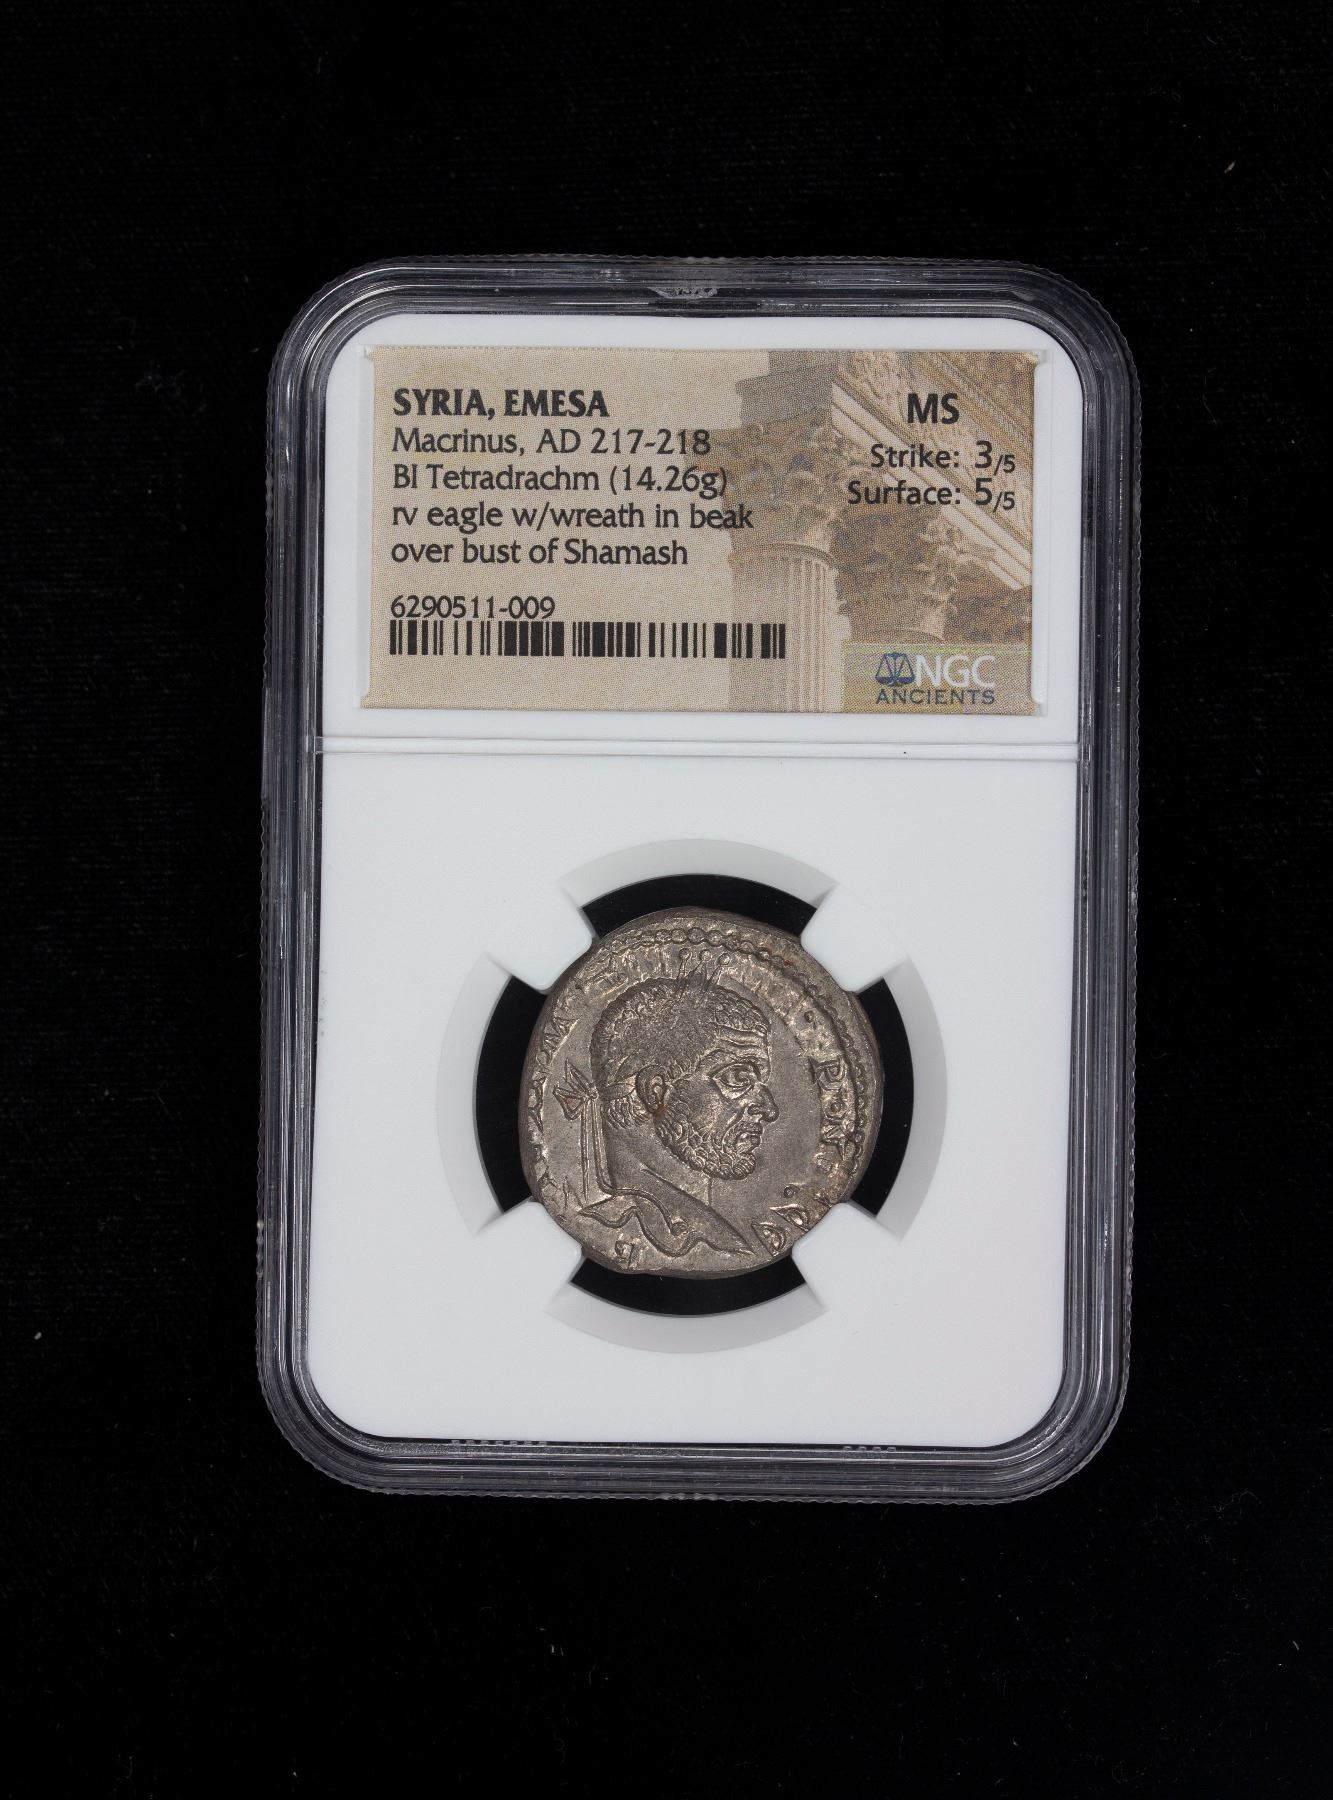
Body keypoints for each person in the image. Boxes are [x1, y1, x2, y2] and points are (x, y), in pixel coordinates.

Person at [556, 968, 780, 1262]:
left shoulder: (707, 1236)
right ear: (656, 1091)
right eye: (737, 1078)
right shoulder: (620, 1224)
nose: (769, 1109)